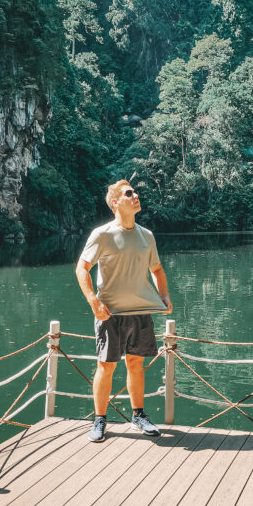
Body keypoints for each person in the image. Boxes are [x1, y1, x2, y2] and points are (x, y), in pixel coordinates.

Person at [76, 180, 173, 443]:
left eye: (136, 192)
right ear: (115, 202)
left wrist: (164, 296)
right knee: (105, 366)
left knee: (136, 364)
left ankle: (138, 416)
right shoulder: (102, 234)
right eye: (129, 193)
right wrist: (94, 303)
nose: (136, 195)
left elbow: (157, 270)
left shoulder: (147, 236)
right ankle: (99, 420)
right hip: (110, 313)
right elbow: (81, 269)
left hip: (141, 312)